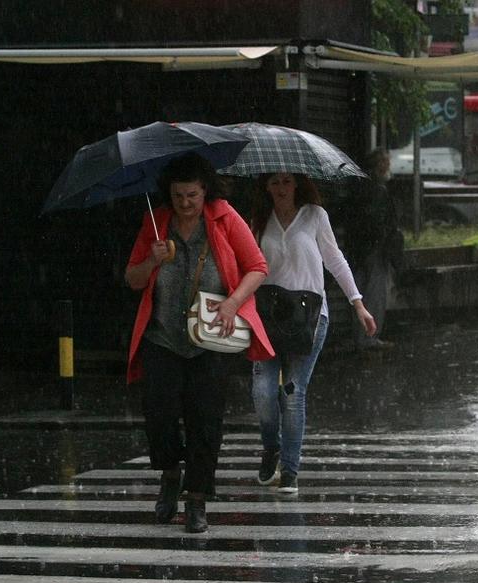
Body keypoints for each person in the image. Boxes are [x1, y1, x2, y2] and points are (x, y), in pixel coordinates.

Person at [125, 154, 274, 533]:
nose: (186, 203)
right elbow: (133, 279)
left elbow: (257, 267)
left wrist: (233, 303)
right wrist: (151, 261)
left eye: (192, 195)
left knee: (205, 421)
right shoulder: (156, 222)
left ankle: (196, 499)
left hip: (210, 339)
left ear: (205, 190)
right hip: (162, 338)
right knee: (159, 415)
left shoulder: (224, 217)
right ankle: (170, 474)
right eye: (178, 196)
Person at [250, 172, 377, 493]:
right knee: (263, 391)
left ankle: (290, 470)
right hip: (268, 317)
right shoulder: (259, 220)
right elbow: (247, 265)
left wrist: (358, 303)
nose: (281, 188)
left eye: (286, 181)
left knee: (293, 393)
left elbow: (335, 260)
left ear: (297, 184)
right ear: (266, 186)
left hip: (309, 318)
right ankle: (271, 448)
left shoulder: (315, 216)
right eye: (274, 182)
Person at [345, 147, 403, 350]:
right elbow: (379, 222)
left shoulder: (358, 187)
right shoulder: (378, 190)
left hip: (357, 249)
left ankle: (360, 337)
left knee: (359, 292)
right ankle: (369, 337)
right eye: (386, 163)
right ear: (380, 165)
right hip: (374, 249)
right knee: (375, 293)